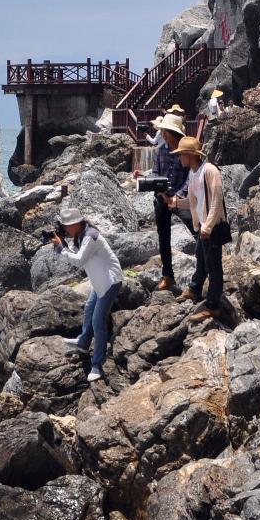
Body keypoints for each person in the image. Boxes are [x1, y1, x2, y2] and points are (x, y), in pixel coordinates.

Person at [51, 208, 123, 382]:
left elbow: (78, 261)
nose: (66, 229)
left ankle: (97, 364)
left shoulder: (90, 236)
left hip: (109, 282)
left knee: (98, 323)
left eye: (67, 226)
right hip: (100, 282)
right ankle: (83, 343)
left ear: (76, 224)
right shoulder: (81, 235)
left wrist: (61, 248)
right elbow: (78, 255)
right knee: (89, 308)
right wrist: (65, 242)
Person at [133, 113, 193, 291]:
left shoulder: (187, 149)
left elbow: (191, 176)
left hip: (183, 200)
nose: (163, 134)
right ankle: (168, 276)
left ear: (173, 133)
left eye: (165, 131)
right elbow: (156, 173)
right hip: (162, 198)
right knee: (163, 238)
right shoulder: (160, 150)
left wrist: (178, 196)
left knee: (197, 232)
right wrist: (144, 177)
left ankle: (203, 271)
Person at [170, 137, 227, 322]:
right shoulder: (194, 173)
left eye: (181, 154)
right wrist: (175, 202)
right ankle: (195, 289)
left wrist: (208, 226)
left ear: (189, 155)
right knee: (201, 260)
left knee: (214, 268)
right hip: (203, 227)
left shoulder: (210, 170)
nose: (179, 158)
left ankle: (212, 306)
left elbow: (217, 199)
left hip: (212, 228)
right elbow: (193, 202)